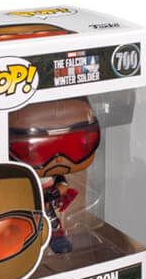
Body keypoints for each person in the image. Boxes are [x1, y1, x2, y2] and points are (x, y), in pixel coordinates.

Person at [9, 97, 100, 253]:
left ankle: (56, 239)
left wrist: (53, 194)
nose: (57, 160)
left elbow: (62, 184)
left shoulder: (52, 176)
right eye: (38, 149)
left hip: (45, 203)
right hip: (25, 204)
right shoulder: (23, 175)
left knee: (52, 222)